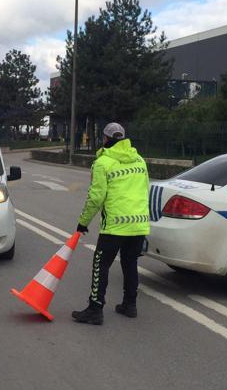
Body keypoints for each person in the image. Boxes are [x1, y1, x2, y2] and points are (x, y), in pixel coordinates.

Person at [72, 123, 150, 325]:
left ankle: (95, 309)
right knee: (130, 263)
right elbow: (144, 190)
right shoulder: (140, 160)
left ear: (105, 139)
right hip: (139, 223)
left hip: (115, 225)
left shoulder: (103, 163)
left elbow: (96, 198)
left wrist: (83, 222)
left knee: (101, 264)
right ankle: (129, 305)